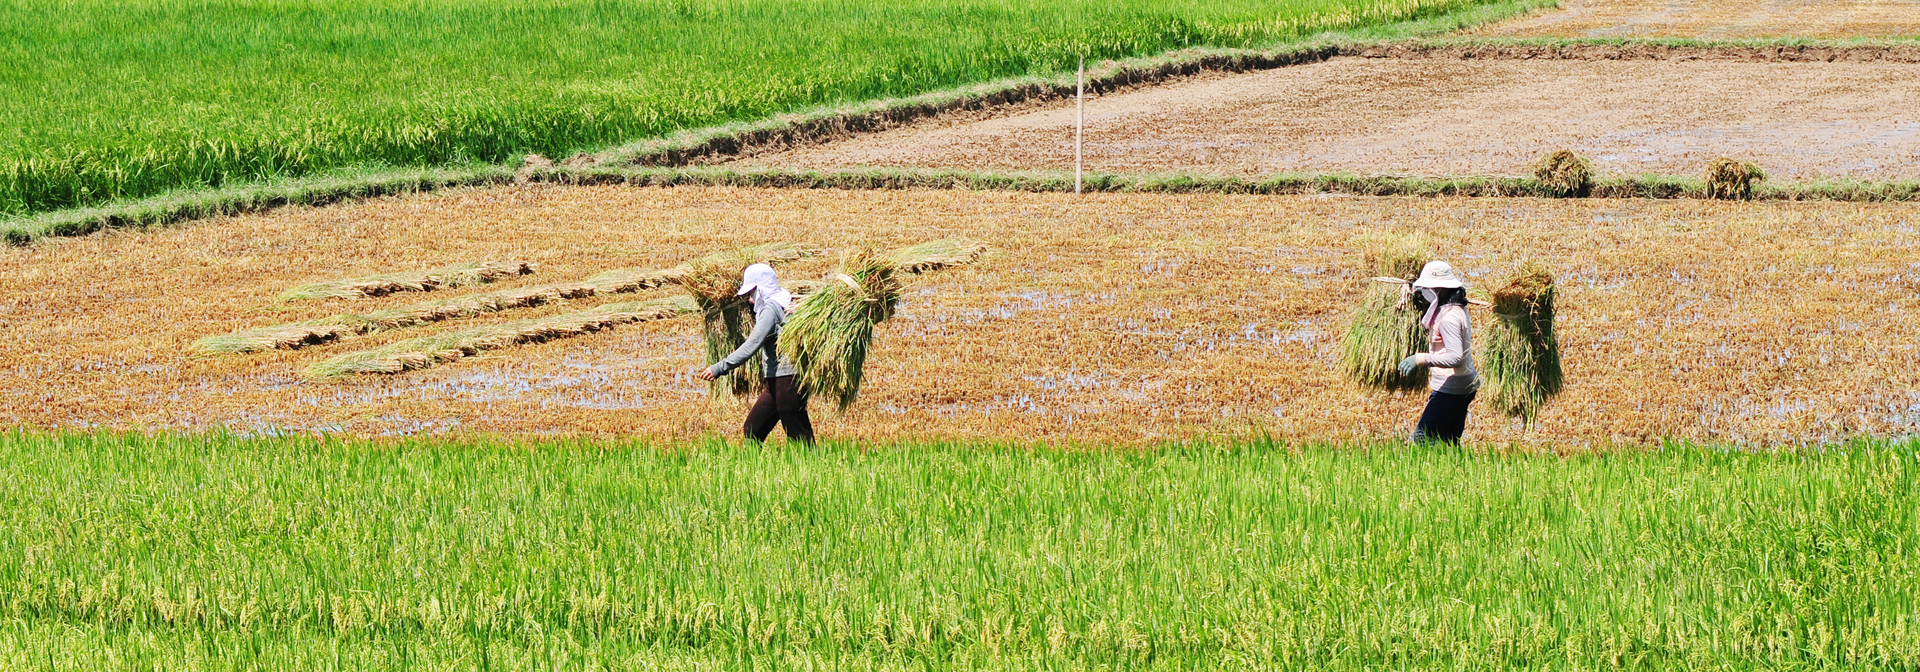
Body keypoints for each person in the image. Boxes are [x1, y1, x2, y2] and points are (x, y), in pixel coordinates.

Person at [695, 263, 815, 445]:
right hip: (776, 380)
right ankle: (750, 470)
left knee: (799, 436)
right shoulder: (783, 300)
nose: (750, 300)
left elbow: (753, 344)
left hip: (788, 379)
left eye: (752, 293)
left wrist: (720, 368)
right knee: (753, 429)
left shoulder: (770, 310)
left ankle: (813, 470)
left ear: (763, 288)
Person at [1396, 260, 1479, 444]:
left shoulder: (1449, 318)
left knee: (1422, 439)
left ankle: (1429, 471)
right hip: (1462, 384)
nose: (1424, 292)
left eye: (1428, 288)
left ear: (1439, 289)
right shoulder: (1452, 308)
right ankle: (1455, 471)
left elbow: (1456, 357)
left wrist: (1419, 358)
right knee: (1448, 441)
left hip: (1452, 389)